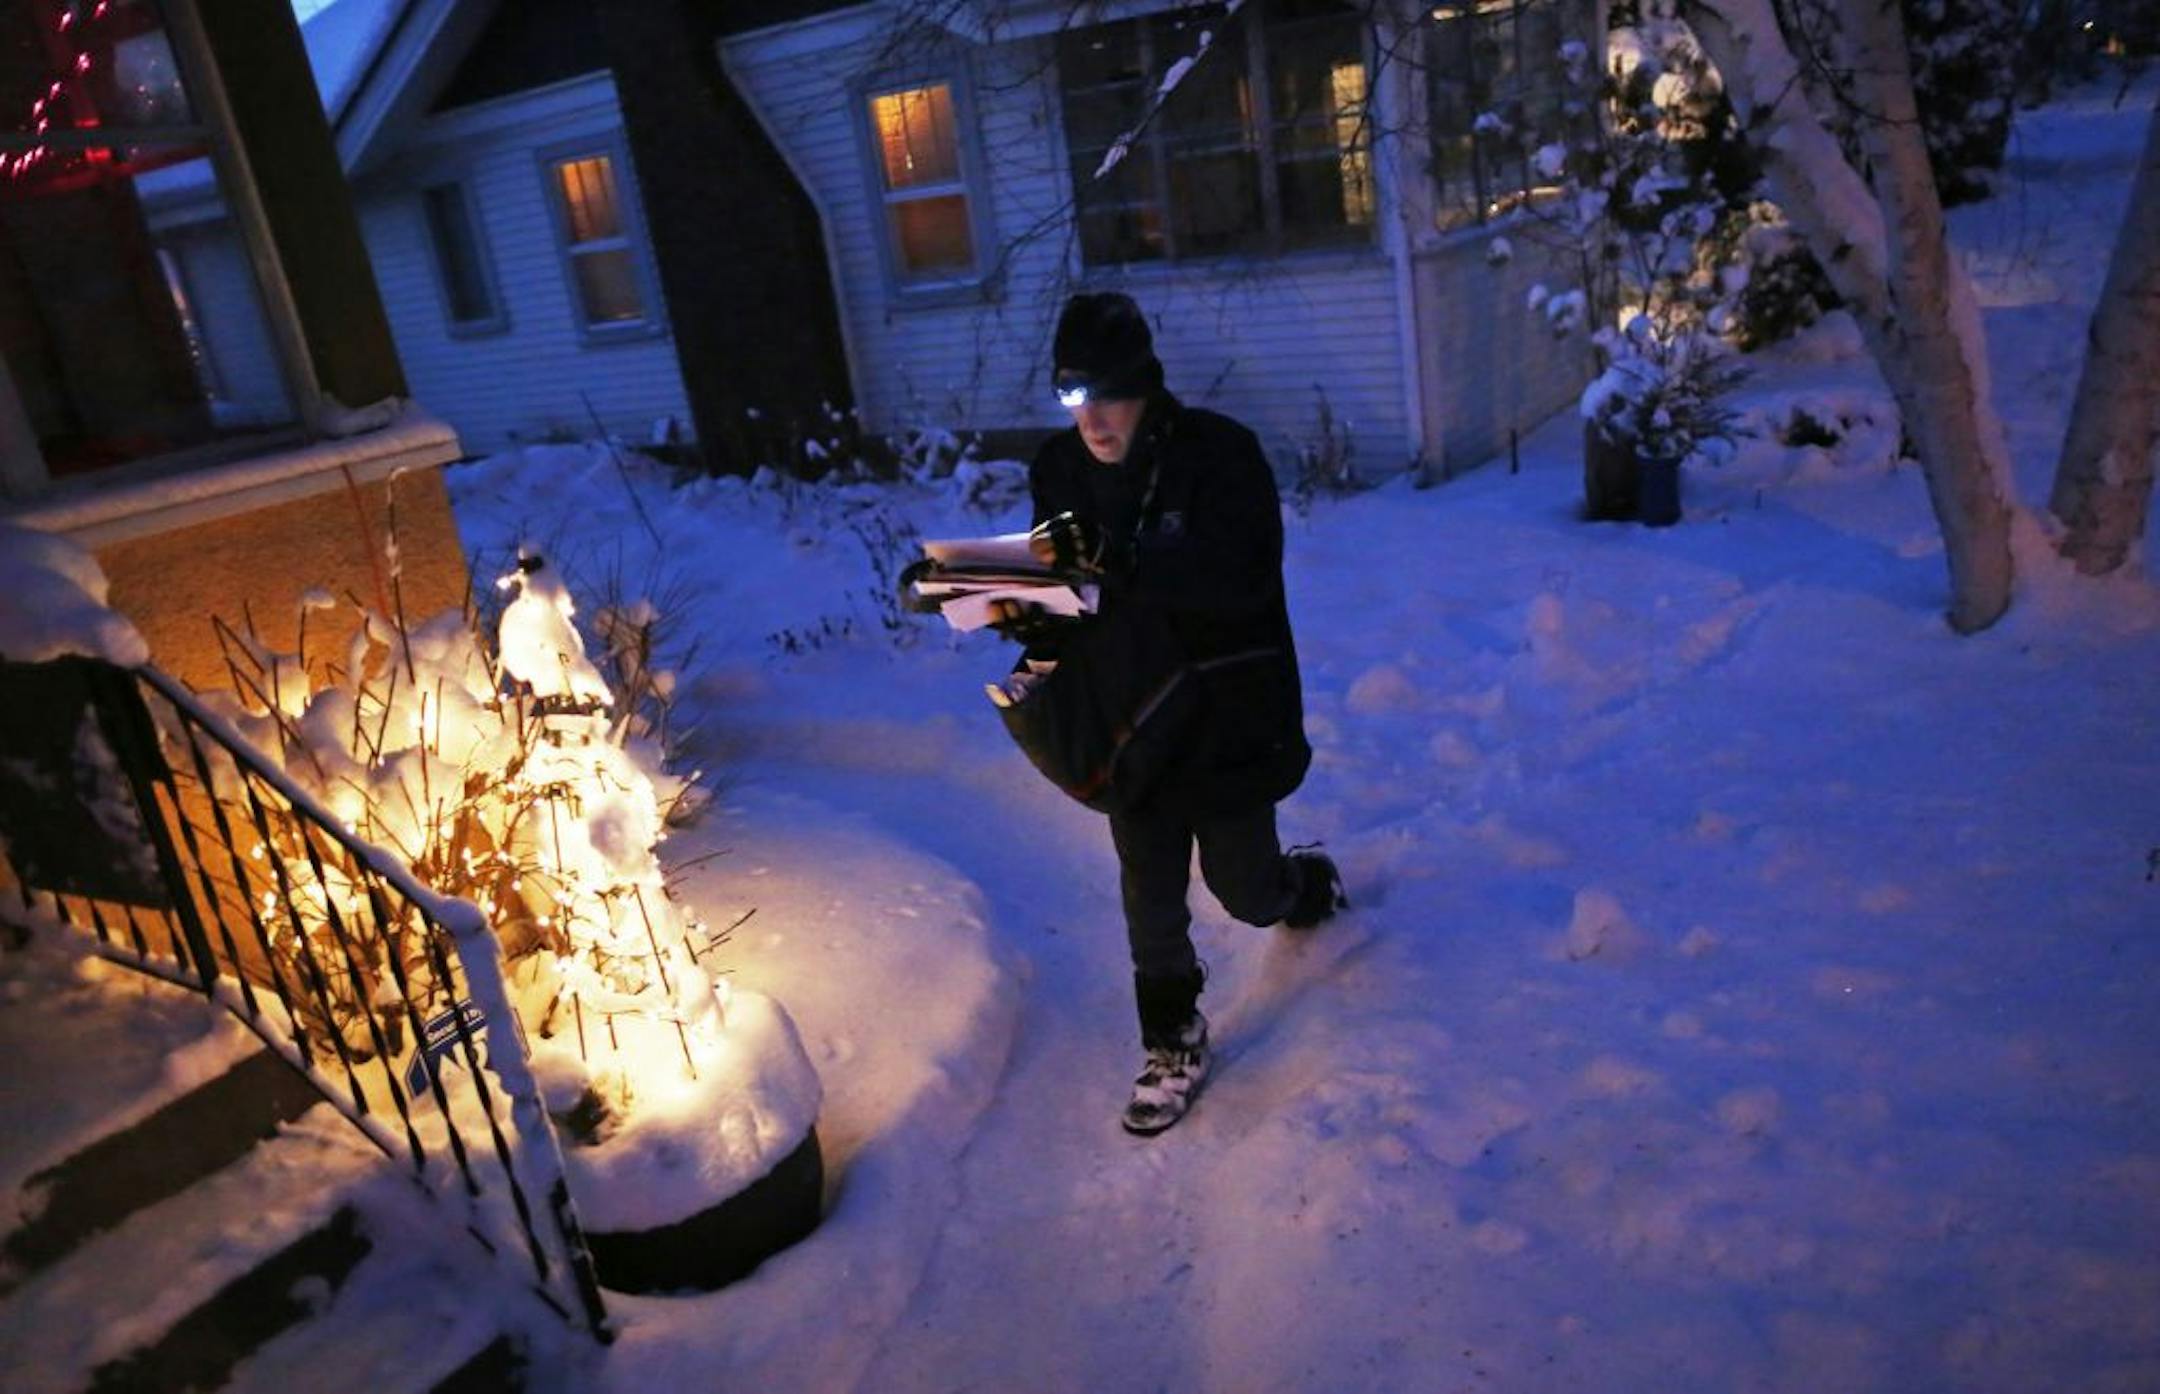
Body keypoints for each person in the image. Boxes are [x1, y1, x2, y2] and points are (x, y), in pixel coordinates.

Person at [991, 291, 1345, 1136]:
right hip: (1130, 720)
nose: (1096, 420)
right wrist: (988, 594)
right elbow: (1065, 593)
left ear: (1147, 387)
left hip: (1223, 715)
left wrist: (1126, 563)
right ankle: (1173, 1040)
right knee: (1149, 894)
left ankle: (1300, 886)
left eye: (1112, 395)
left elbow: (1242, 579)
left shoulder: (1221, 457)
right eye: (1077, 397)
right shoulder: (1060, 469)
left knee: (1243, 889)